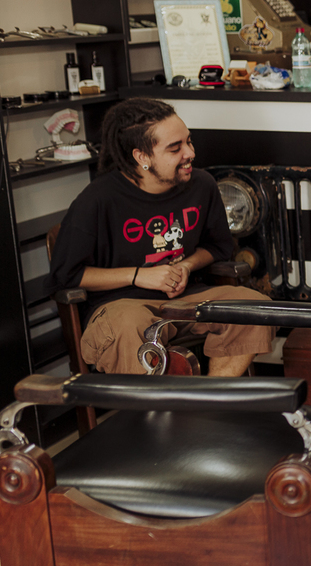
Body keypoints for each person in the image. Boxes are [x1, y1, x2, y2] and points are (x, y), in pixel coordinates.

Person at [46, 98, 274, 377]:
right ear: (142, 157)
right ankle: (157, 419)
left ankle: (210, 404)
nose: (190, 153)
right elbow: (66, 275)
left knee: (253, 307)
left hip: (185, 300)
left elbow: (218, 247)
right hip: (120, 307)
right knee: (132, 325)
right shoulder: (98, 200)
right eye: (175, 148)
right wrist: (139, 276)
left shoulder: (201, 185)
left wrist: (186, 266)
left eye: (189, 142)